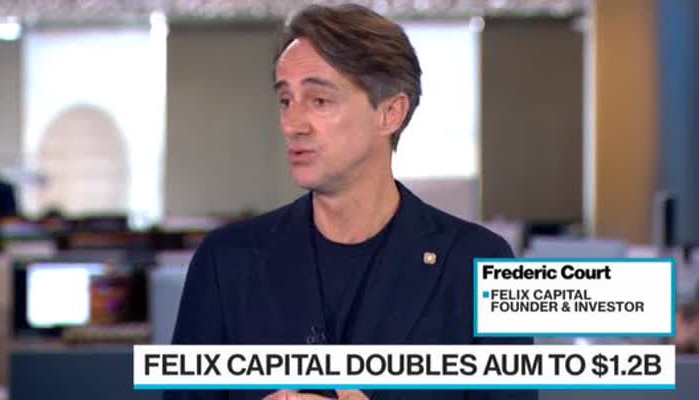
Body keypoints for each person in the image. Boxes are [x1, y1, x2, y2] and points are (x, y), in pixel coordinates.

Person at [167, 4, 536, 400]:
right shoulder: (226, 262)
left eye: (319, 100)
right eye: (286, 100)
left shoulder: (478, 263)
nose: (292, 124)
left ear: (390, 113)